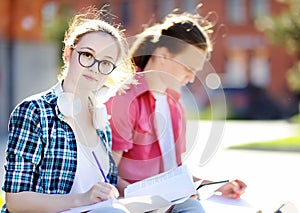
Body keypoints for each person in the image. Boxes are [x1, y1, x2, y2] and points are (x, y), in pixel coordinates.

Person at [105, 8, 247, 212]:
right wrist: (148, 200)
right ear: (163, 55)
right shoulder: (124, 98)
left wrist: (213, 184)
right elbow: (107, 175)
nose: (191, 78)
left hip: (169, 203)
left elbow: (174, 173)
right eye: (188, 68)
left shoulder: (175, 106)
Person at [1, 6, 134, 213]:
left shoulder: (102, 123)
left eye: (106, 62)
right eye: (88, 55)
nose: (94, 67)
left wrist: (144, 194)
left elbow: (107, 187)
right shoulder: (34, 111)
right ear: (68, 53)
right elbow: (16, 202)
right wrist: (81, 199)